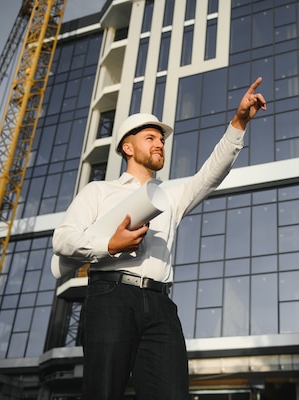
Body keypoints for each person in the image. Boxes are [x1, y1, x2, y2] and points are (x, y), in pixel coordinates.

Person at [52, 77, 266, 399]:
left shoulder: (171, 195)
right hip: (111, 297)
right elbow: (63, 240)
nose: (159, 144)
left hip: (161, 303)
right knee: (103, 391)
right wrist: (110, 245)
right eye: (151, 137)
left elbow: (211, 176)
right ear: (128, 147)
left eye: (162, 141)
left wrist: (238, 123)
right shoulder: (99, 191)